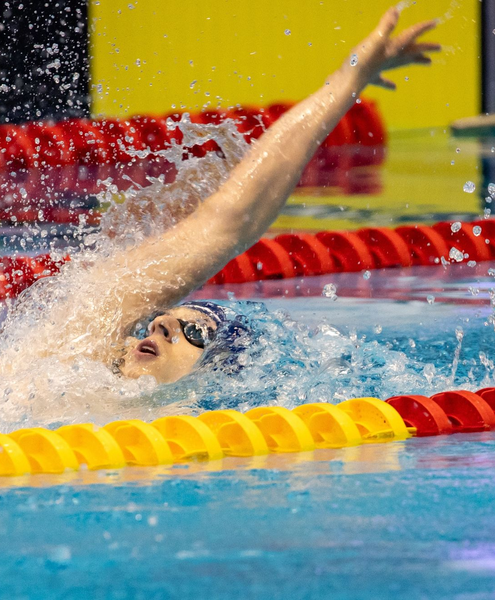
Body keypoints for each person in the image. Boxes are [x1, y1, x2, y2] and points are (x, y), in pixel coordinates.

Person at [83, 7, 440, 385]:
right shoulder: (69, 355)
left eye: (197, 334)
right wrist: (347, 78)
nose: (161, 321)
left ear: (218, 373)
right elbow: (227, 223)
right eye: (156, 325)